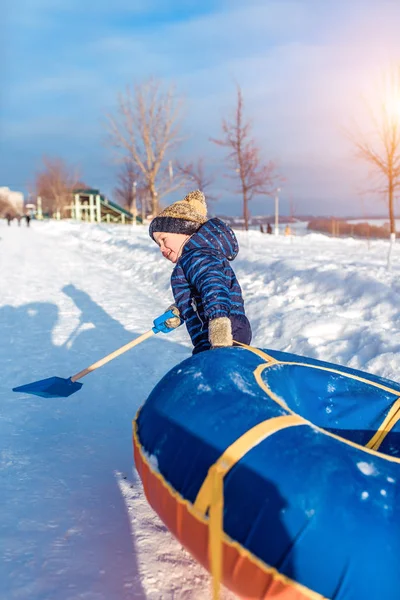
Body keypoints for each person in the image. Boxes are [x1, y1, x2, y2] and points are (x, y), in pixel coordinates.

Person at [149, 190, 252, 355]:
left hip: (223, 332)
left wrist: (219, 323)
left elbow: (213, 287)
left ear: (183, 231)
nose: (161, 248)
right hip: (213, 332)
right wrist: (180, 311)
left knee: (213, 375)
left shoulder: (199, 256)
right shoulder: (192, 259)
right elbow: (199, 297)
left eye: (163, 239)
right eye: (158, 244)